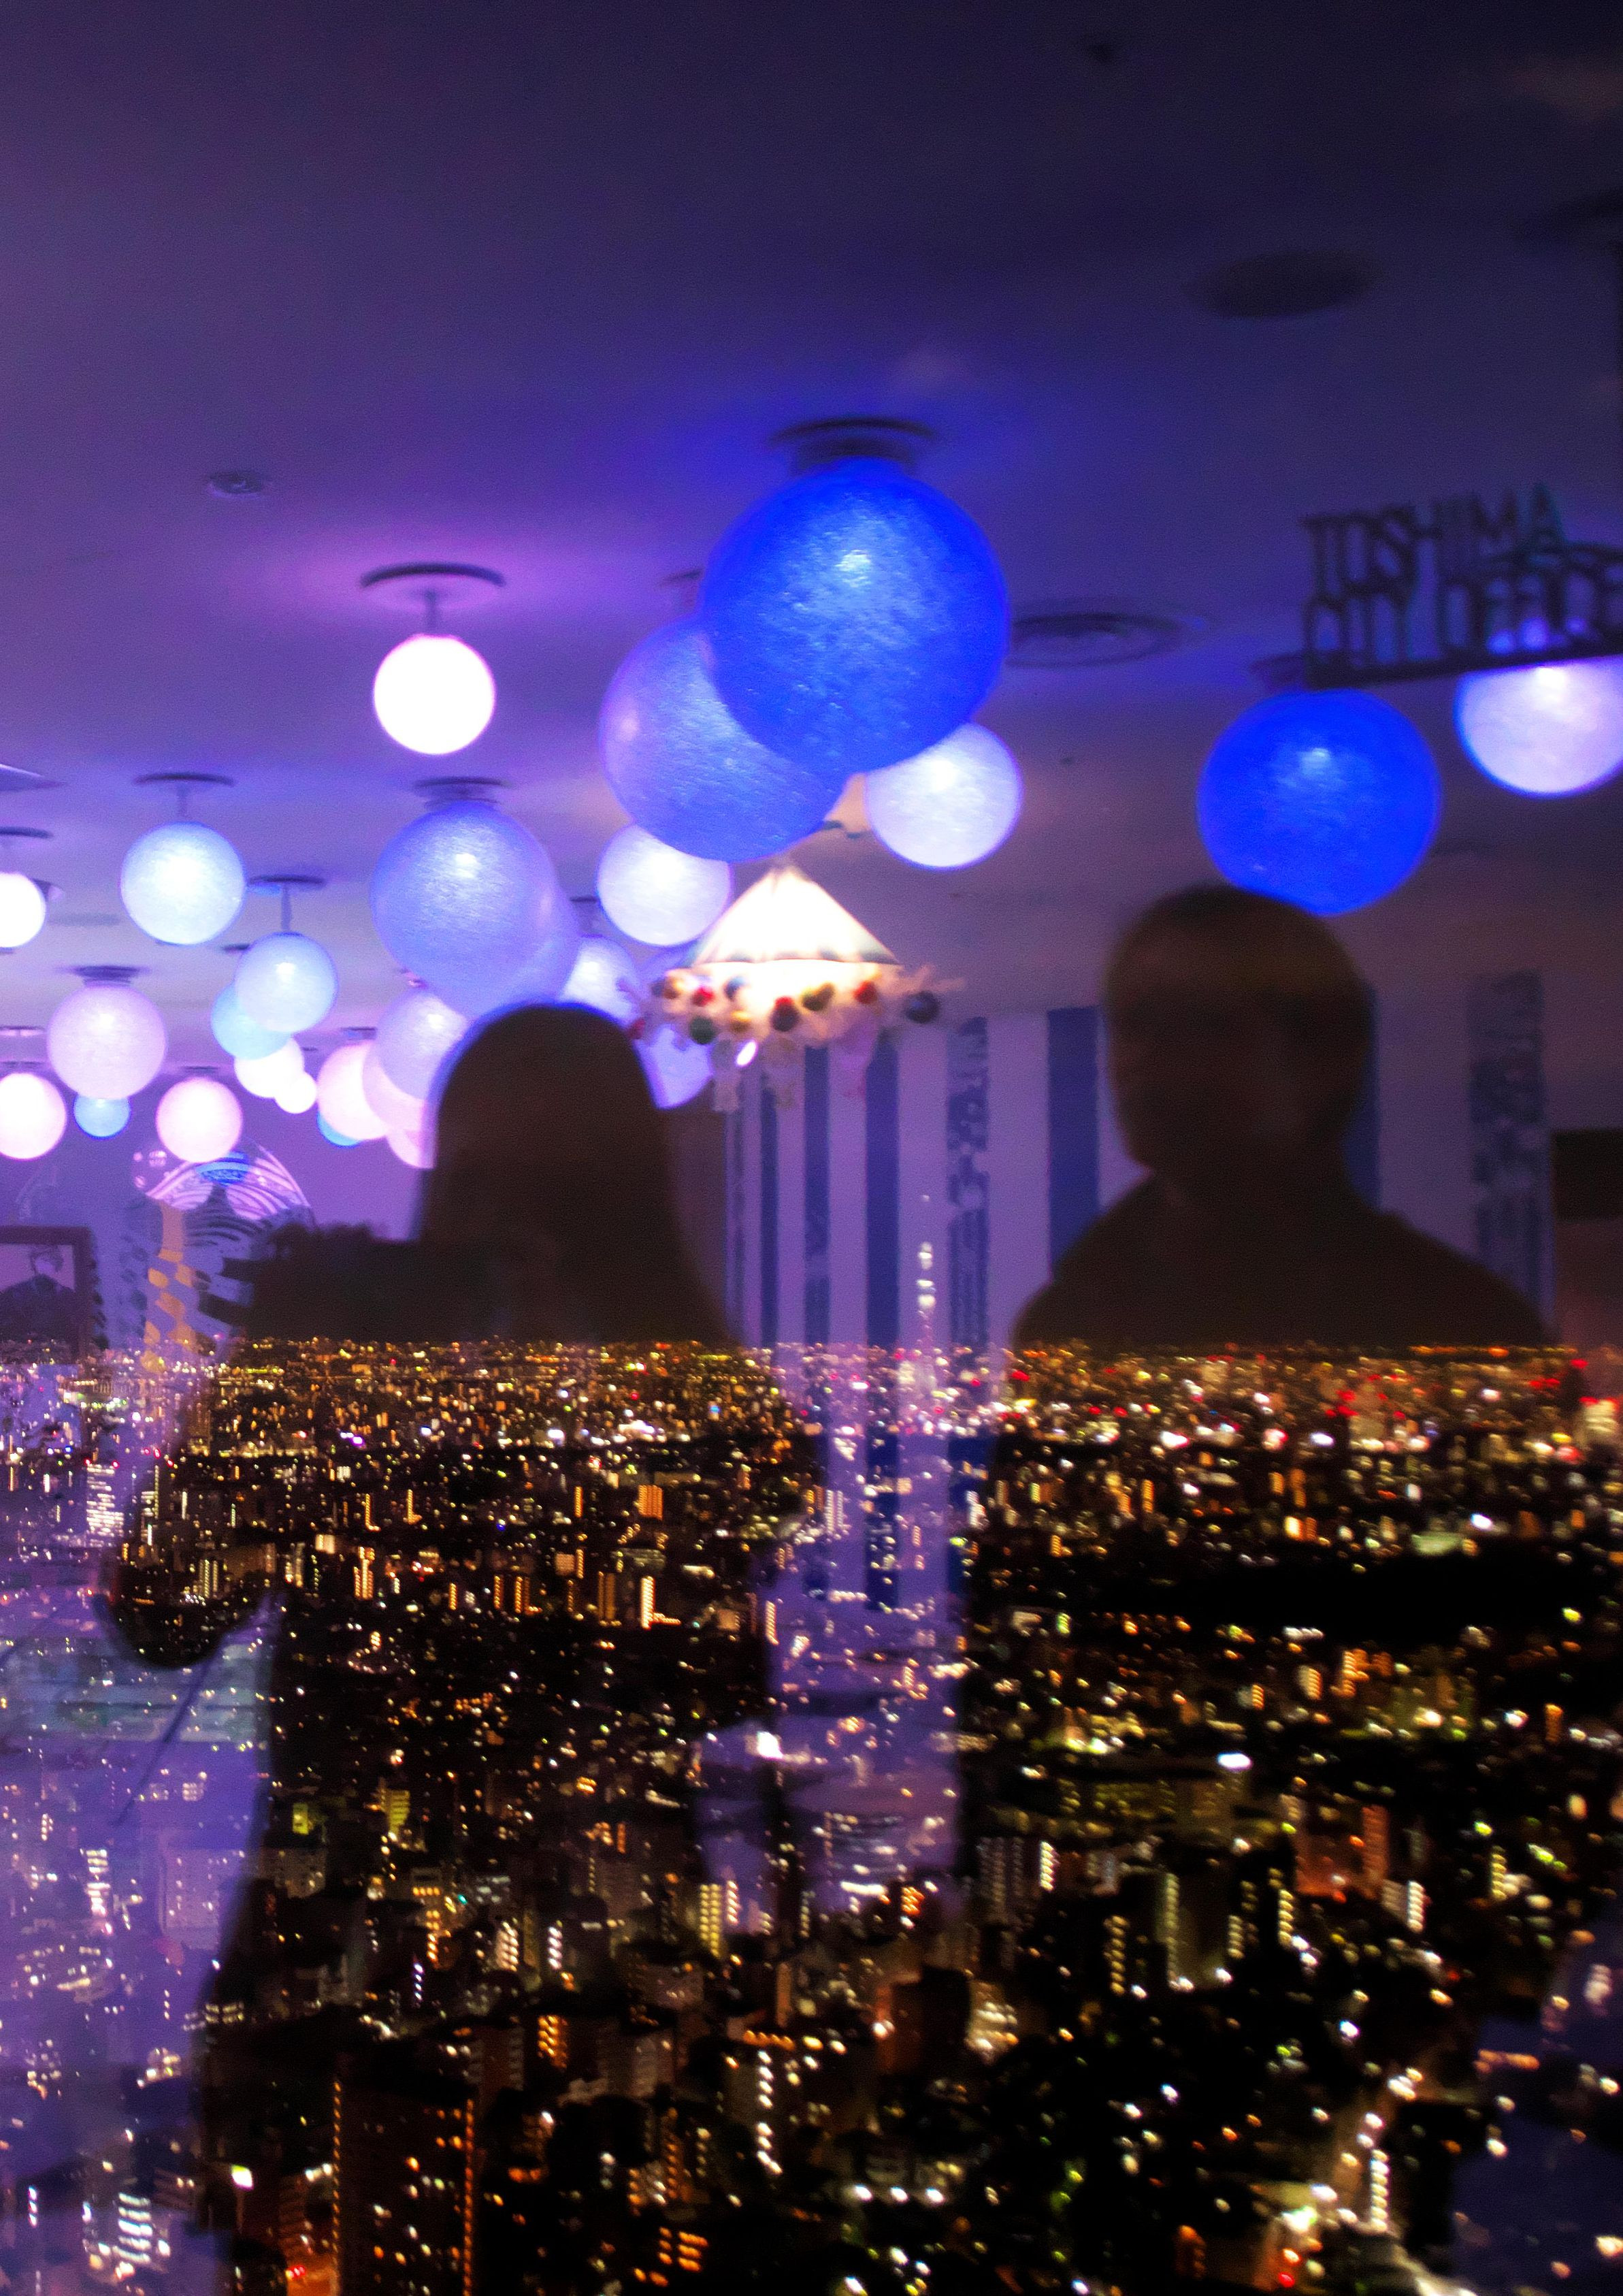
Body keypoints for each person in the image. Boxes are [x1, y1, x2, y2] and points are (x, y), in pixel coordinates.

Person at [1014, 884, 1543, 1352]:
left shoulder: (1461, 1326)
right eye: (1133, 1023)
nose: (1143, 1054)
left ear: (1320, 1058)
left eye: (1197, 1021)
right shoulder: (1067, 1321)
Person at [246, 1001, 727, 1346]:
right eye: (478, 1182)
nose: (516, 1225)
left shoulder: (370, 1314)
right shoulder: (694, 1356)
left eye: (556, 1193)